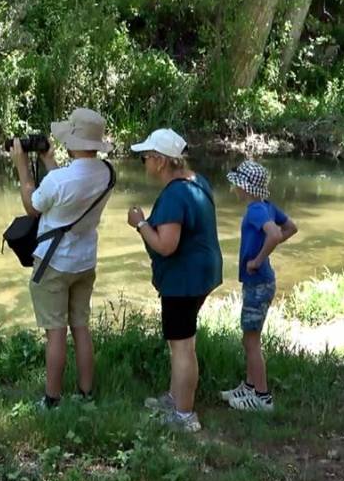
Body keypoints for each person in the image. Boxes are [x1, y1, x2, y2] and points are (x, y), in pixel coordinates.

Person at [10, 107, 114, 409]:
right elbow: (69, 189)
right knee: (80, 326)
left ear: (72, 142)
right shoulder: (107, 173)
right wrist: (49, 161)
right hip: (85, 262)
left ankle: (52, 400)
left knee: (55, 331)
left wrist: (22, 166)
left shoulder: (60, 181)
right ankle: (85, 394)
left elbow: (33, 205)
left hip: (54, 263)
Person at [127, 129, 222, 432]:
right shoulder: (197, 181)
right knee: (182, 341)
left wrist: (140, 223)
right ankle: (175, 397)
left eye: (145, 157)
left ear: (159, 161)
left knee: (182, 347)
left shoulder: (174, 195)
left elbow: (166, 245)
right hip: (204, 273)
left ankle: (184, 416)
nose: (143, 163)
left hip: (184, 280)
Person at [221, 160, 298, 412]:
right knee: (249, 338)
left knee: (251, 341)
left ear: (246, 188)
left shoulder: (255, 210)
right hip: (263, 282)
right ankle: (249, 386)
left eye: (237, 185)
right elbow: (290, 228)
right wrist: (267, 250)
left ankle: (262, 398)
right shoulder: (267, 206)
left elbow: (275, 234)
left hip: (258, 282)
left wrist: (258, 259)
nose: (234, 189)